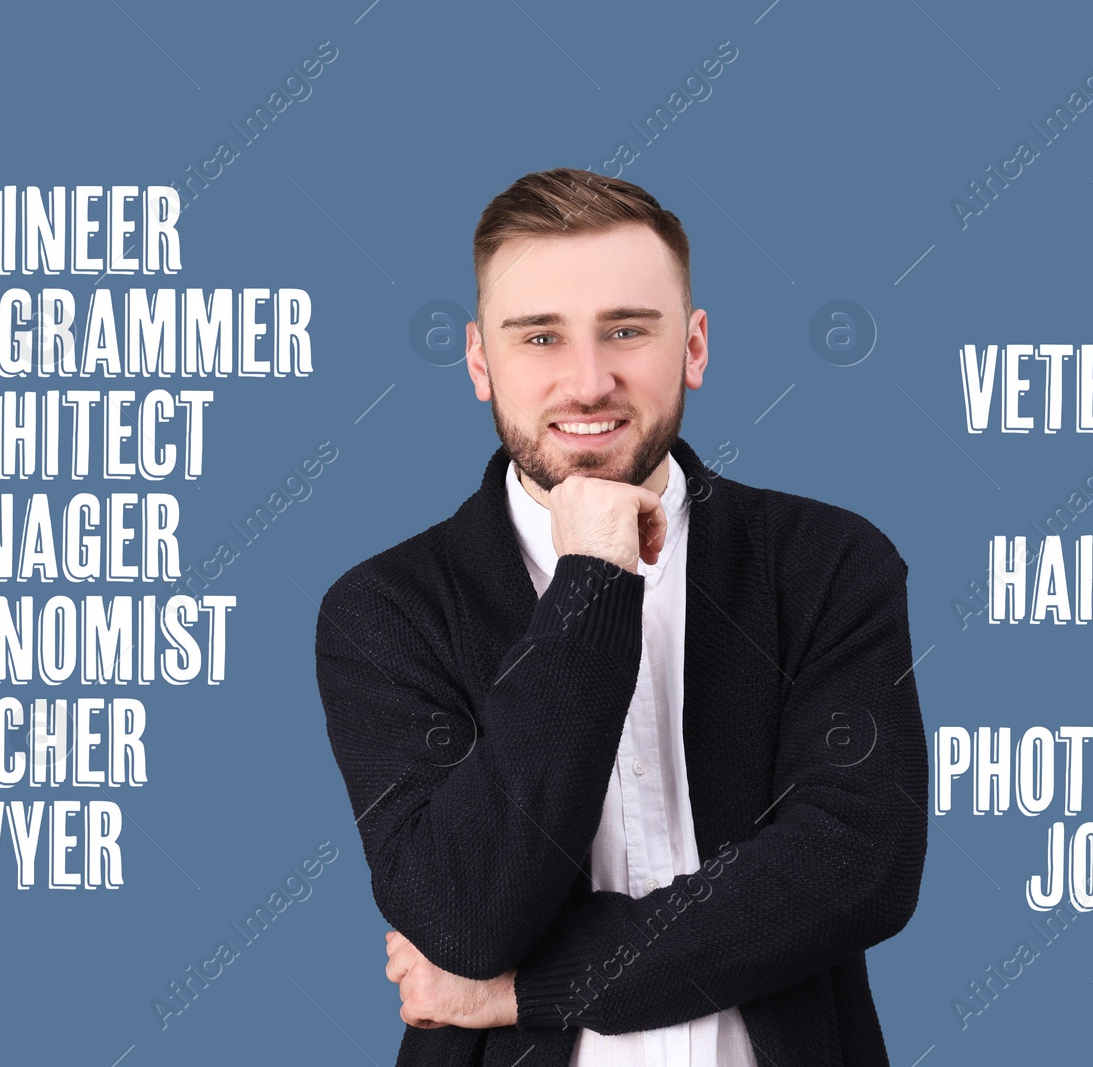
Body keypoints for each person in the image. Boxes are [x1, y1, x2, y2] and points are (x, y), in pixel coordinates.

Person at [314, 168, 928, 1066]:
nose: (588, 380)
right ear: (481, 362)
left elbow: (852, 870)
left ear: (695, 346)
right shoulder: (386, 609)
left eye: (627, 330)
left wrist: (529, 989)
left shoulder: (828, 563)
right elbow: (465, 917)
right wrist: (593, 575)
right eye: (540, 337)